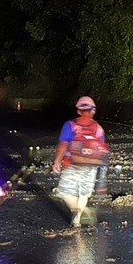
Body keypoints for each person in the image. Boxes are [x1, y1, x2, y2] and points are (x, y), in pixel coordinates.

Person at [52, 97, 110, 227]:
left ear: (78, 111)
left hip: (71, 164)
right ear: (93, 111)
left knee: (65, 192)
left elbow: (63, 145)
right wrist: (102, 174)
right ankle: (78, 218)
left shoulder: (70, 125)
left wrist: (57, 161)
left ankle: (75, 210)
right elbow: (103, 152)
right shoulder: (99, 129)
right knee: (85, 192)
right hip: (91, 166)